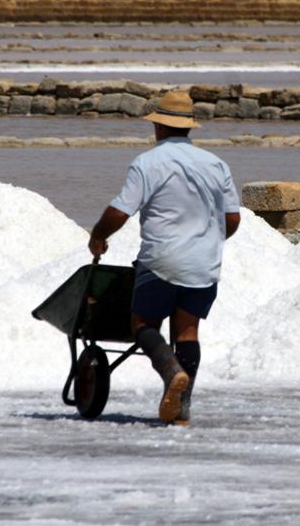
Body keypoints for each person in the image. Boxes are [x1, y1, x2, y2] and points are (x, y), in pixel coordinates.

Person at [88, 90, 241, 425]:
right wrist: (207, 242)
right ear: (188, 127)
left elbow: (119, 211)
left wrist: (98, 236)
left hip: (162, 260)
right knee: (187, 332)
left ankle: (172, 371)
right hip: (204, 263)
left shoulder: (147, 163)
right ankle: (181, 411)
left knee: (142, 325)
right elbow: (232, 219)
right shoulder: (217, 165)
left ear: (158, 126)